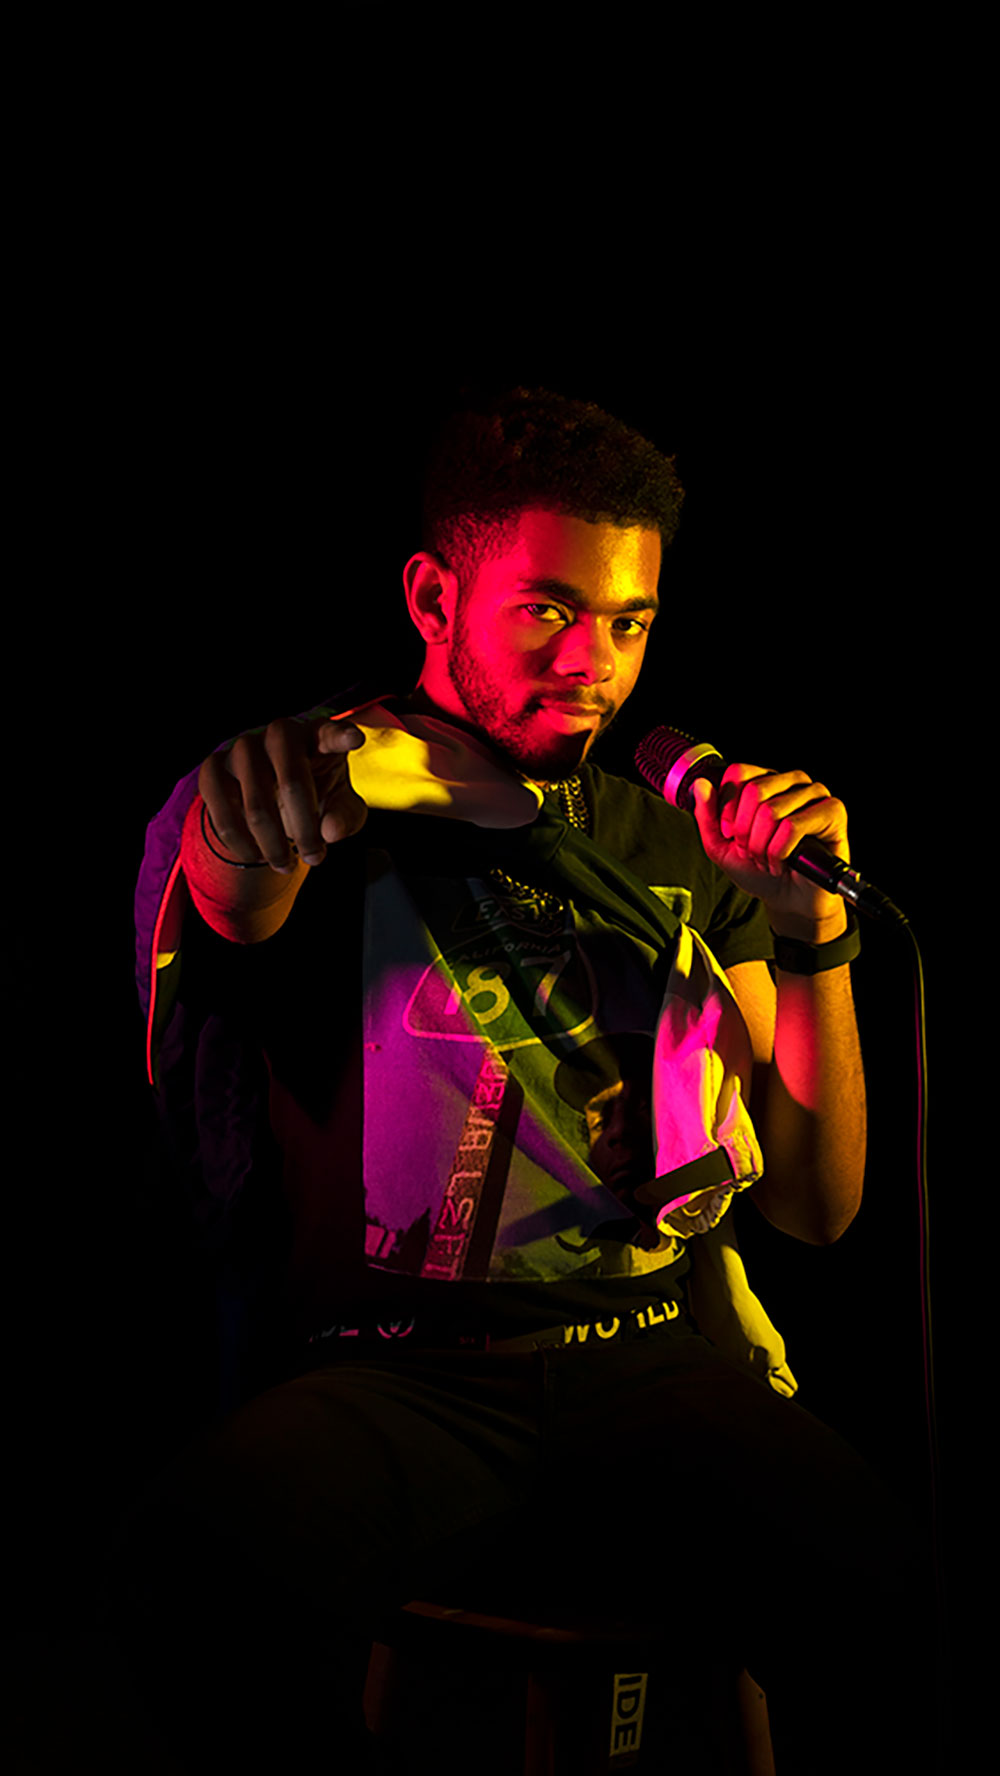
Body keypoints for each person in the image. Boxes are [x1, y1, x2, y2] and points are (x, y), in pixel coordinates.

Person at [114, 387, 928, 1773]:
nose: (593, 664)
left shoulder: (680, 834)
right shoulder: (339, 783)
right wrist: (243, 827)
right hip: (404, 1382)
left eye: (629, 622)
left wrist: (813, 939)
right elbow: (240, 885)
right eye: (548, 611)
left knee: (896, 1602)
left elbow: (816, 1207)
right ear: (435, 597)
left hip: (655, 1357)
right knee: (184, 1579)